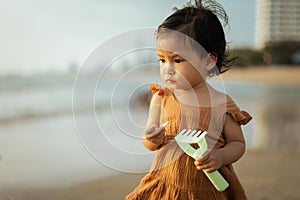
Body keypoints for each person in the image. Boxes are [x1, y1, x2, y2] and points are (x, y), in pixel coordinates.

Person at [126, 0, 252, 199]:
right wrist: (151, 138)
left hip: (208, 190)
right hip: (167, 184)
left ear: (209, 60)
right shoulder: (161, 98)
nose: (167, 68)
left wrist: (220, 157)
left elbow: (238, 143)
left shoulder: (221, 104)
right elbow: (149, 141)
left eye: (177, 60)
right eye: (162, 60)